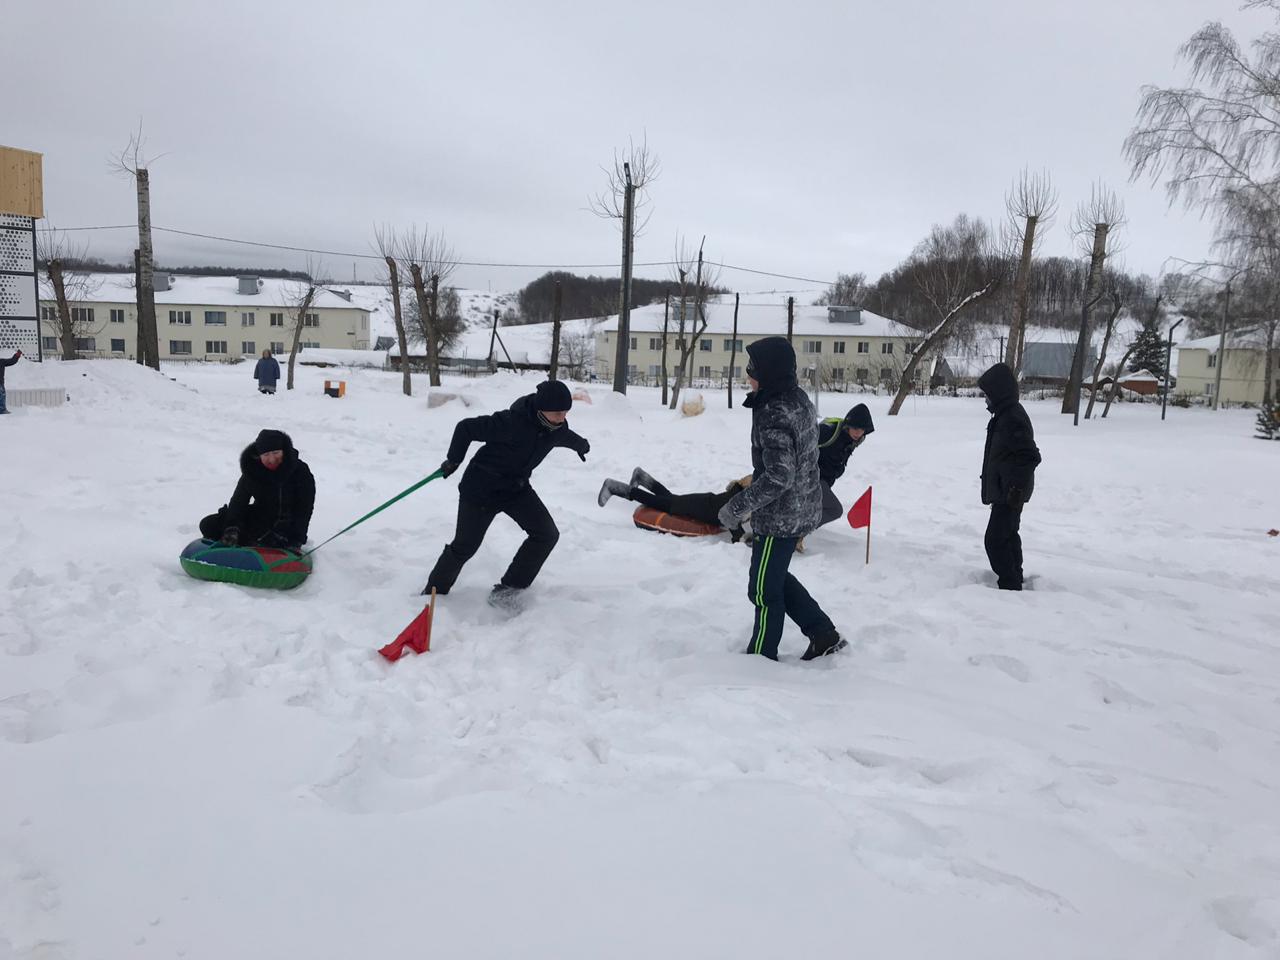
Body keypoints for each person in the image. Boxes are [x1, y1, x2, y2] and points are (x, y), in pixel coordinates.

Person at [716, 337, 846, 662]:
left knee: (762, 589)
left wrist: (737, 507)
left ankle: (761, 657)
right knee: (774, 577)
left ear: (770, 373)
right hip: (800, 509)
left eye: (753, 369)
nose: (748, 375)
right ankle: (822, 633)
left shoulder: (774, 412)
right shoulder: (796, 398)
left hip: (779, 518)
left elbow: (778, 476)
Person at [423, 379, 589, 607]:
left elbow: (563, 436)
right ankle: (433, 594)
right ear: (541, 408)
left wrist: (581, 445)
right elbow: (466, 428)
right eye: (558, 413)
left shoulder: (555, 427)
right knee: (465, 546)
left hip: (515, 489)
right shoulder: (510, 423)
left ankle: (509, 590)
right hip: (481, 489)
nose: (563, 418)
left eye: (566, 412)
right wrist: (454, 460)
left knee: (546, 534)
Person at [977, 362, 1042, 591]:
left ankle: (1010, 583)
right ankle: (1015, 577)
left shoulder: (1012, 417)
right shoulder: (1004, 415)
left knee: (994, 540)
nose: (985, 400)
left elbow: (1029, 456)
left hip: (1010, 493)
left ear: (999, 392)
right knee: (1008, 536)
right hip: (1006, 491)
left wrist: (1016, 488)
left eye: (988, 395)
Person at [199, 429, 316, 552]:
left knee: (271, 540)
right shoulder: (253, 469)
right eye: (266, 455)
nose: (271, 459)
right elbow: (239, 501)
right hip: (261, 518)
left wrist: (296, 540)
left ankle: (259, 543)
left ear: (284, 451)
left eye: (276, 452)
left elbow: (304, 509)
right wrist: (231, 528)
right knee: (209, 524)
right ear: (259, 456)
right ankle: (249, 542)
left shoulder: (300, 471)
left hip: (287, 525)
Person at [597, 467, 752, 538]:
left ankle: (642, 477)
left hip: (702, 502)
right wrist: (743, 538)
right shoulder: (740, 502)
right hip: (697, 507)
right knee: (658, 502)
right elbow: (731, 520)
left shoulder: (739, 492)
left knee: (669, 498)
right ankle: (615, 487)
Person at [815, 402, 875, 529]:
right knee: (834, 510)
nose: (858, 433)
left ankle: (797, 530)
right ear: (848, 425)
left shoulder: (855, 440)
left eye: (862, 429)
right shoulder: (829, 431)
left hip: (824, 480)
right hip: (808, 478)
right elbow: (800, 442)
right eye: (855, 428)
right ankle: (798, 532)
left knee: (814, 508)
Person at [0, 349, 21, 414]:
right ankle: (2, 409)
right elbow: (11, 361)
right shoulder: (1, 361)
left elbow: (12, 361)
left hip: (0, 383)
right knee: (2, 395)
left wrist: (17, 355)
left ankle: (2, 409)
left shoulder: (1, 361)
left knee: (2, 395)